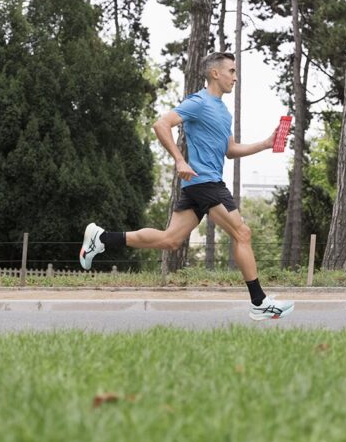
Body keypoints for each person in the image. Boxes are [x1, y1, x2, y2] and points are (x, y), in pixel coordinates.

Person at [79, 51, 294, 320]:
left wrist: (265, 143)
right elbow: (161, 124)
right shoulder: (198, 102)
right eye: (232, 71)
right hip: (206, 183)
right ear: (215, 73)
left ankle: (101, 238)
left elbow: (230, 149)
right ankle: (259, 302)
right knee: (242, 233)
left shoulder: (223, 111)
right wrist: (180, 160)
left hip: (200, 185)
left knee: (170, 240)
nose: (235, 77)